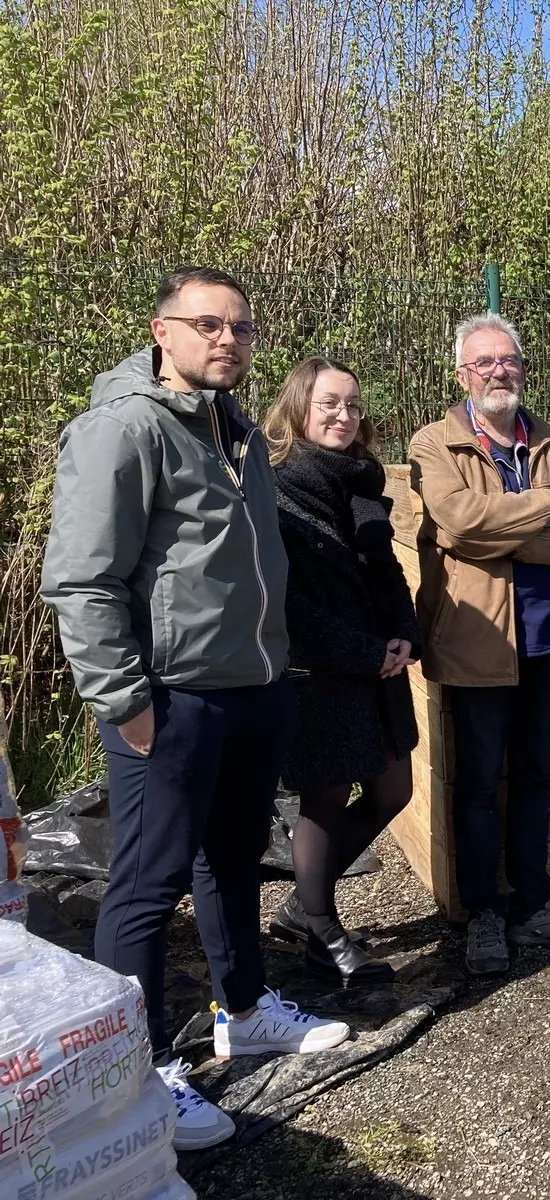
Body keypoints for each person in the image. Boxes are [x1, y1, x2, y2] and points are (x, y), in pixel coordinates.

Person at [40, 267, 351, 1152]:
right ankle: (137, 1076)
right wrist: (127, 704)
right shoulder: (123, 429)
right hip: (170, 700)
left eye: (242, 328)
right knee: (145, 886)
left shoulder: (240, 430)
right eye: (208, 324)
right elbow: (81, 580)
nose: (228, 340)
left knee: (231, 861)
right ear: (163, 331)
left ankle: (244, 1008)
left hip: (252, 690)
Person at [408, 312, 550, 974]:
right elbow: (460, 523)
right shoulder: (435, 444)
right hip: (475, 638)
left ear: (522, 367)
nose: (499, 371)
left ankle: (533, 903)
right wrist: (548, 505)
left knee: (533, 778)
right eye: (485, 362)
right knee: (474, 784)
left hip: (549, 637)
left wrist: (513, 527)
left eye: (509, 360)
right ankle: (481, 914)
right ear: (462, 373)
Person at [261, 357, 421, 986]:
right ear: (300, 406)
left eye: (352, 404)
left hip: (379, 664)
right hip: (321, 668)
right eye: (329, 403)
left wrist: (404, 634)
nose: (343, 416)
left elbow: (386, 574)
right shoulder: (276, 484)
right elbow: (286, 601)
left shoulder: (362, 480)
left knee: (393, 789)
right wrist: (362, 651)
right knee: (324, 799)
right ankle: (323, 930)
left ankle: (303, 903)